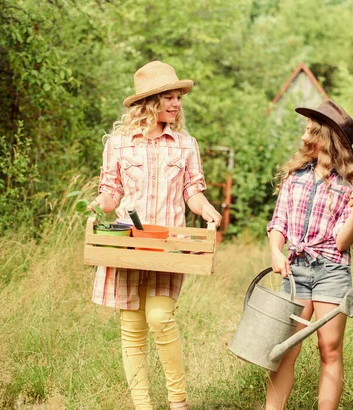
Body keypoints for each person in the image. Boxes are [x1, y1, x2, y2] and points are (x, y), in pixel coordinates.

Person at [87, 60, 222, 410]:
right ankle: (142, 405)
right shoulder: (118, 144)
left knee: (160, 317)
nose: (177, 104)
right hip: (128, 244)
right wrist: (99, 203)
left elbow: (192, 190)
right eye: (169, 97)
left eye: (179, 97)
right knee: (132, 328)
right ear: (150, 102)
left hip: (167, 244)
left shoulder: (185, 145)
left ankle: (178, 402)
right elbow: (111, 191)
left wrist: (205, 208)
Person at [265, 100, 353, 410]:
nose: (303, 138)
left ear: (327, 139)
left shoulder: (349, 186)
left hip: (331, 271)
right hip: (296, 271)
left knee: (330, 349)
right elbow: (279, 222)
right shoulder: (295, 177)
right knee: (285, 348)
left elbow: (341, 243)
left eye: (311, 131)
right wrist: (275, 250)